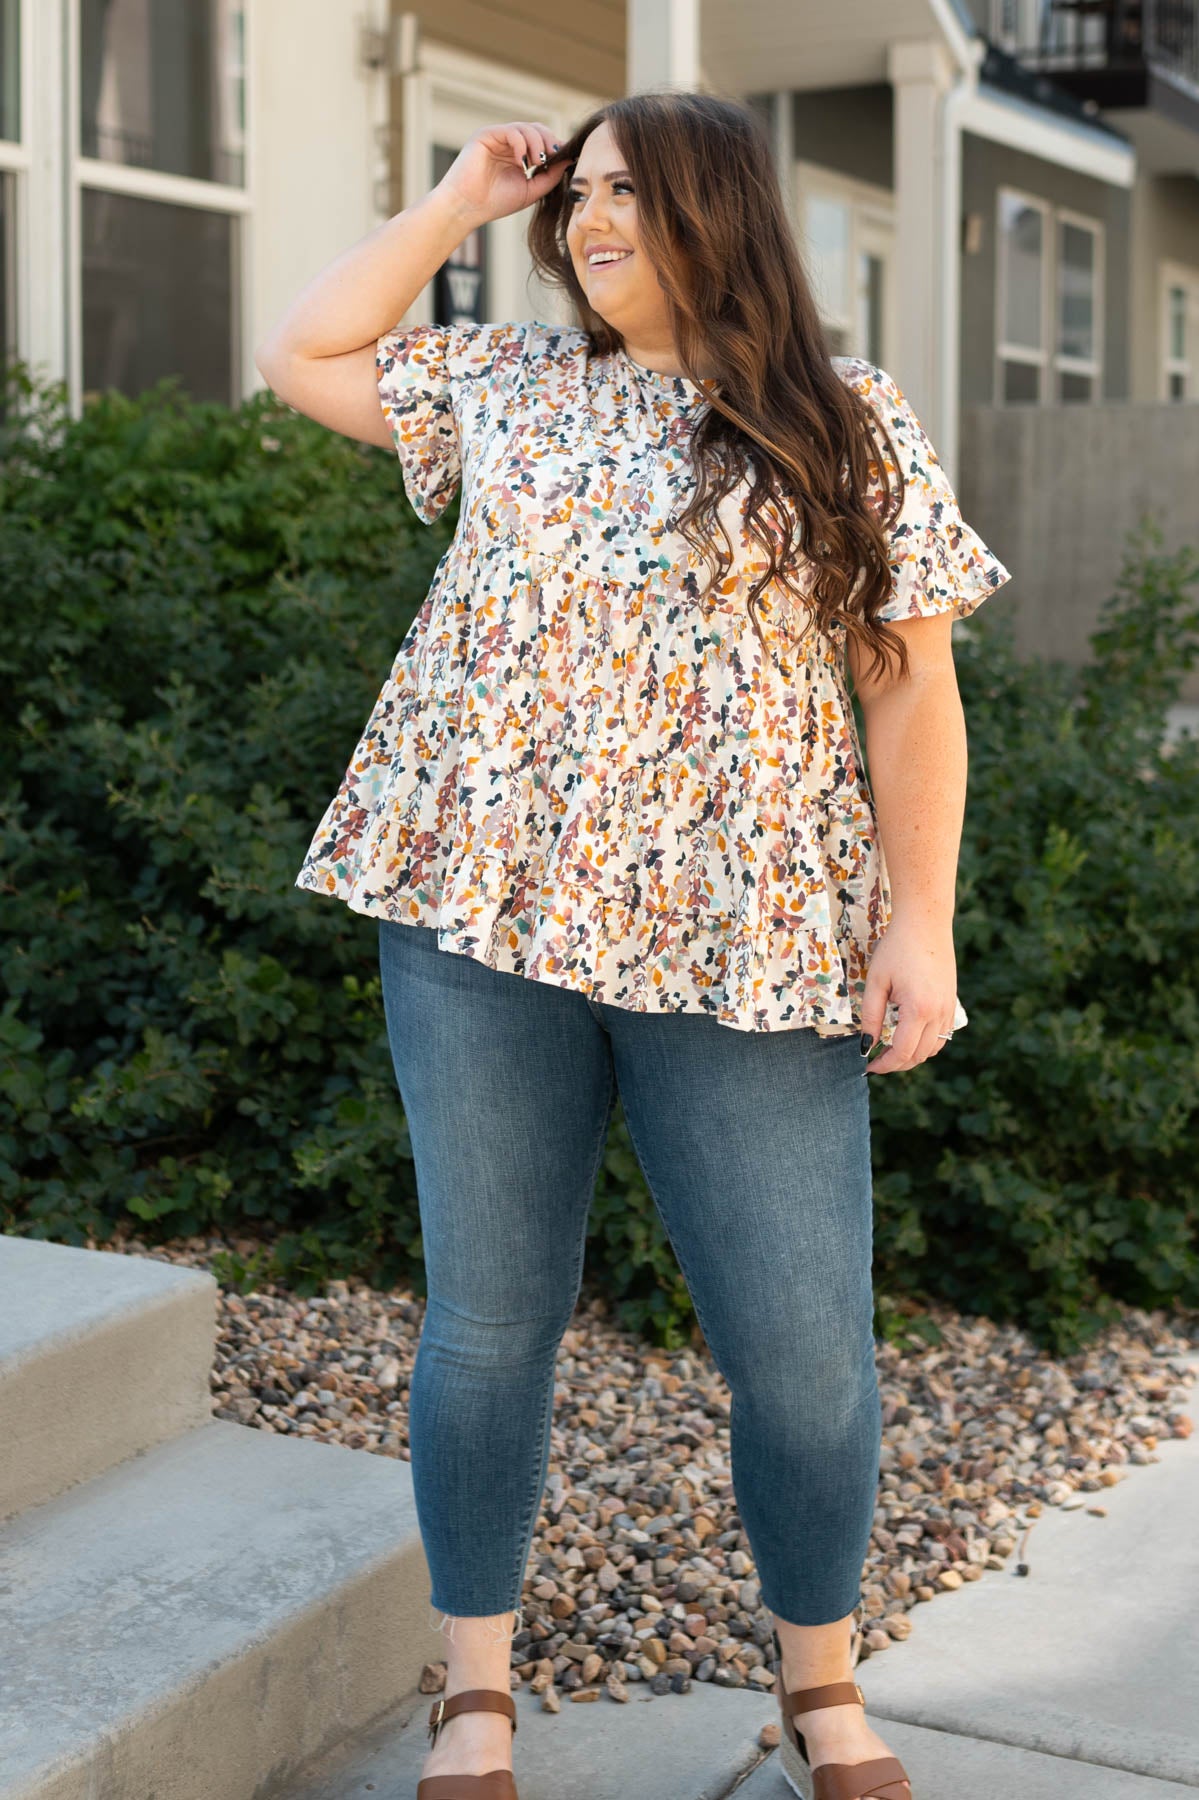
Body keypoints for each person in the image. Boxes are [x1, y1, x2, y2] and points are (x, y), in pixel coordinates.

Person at [257, 89, 1011, 1800]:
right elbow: (306, 348)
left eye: (630, 198)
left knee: (807, 1356)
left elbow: (913, 706)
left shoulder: (845, 424)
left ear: (719, 216)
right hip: (480, 925)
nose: (591, 224)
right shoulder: (512, 392)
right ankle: (476, 1690)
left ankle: (821, 1684)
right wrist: (459, 197)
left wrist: (924, 924)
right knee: (485, 1328)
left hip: (747, 949)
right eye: (579, 198)